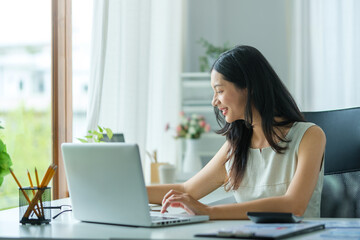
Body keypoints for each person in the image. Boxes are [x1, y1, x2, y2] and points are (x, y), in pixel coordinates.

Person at [146, 45, 325, 219]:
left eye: (220, 91)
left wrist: (209, 211)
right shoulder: (236, 145)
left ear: (249, 87)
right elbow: (186, 190)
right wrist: (126, 190)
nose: (214, 102)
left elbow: (293, 206)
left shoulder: (310, 136)